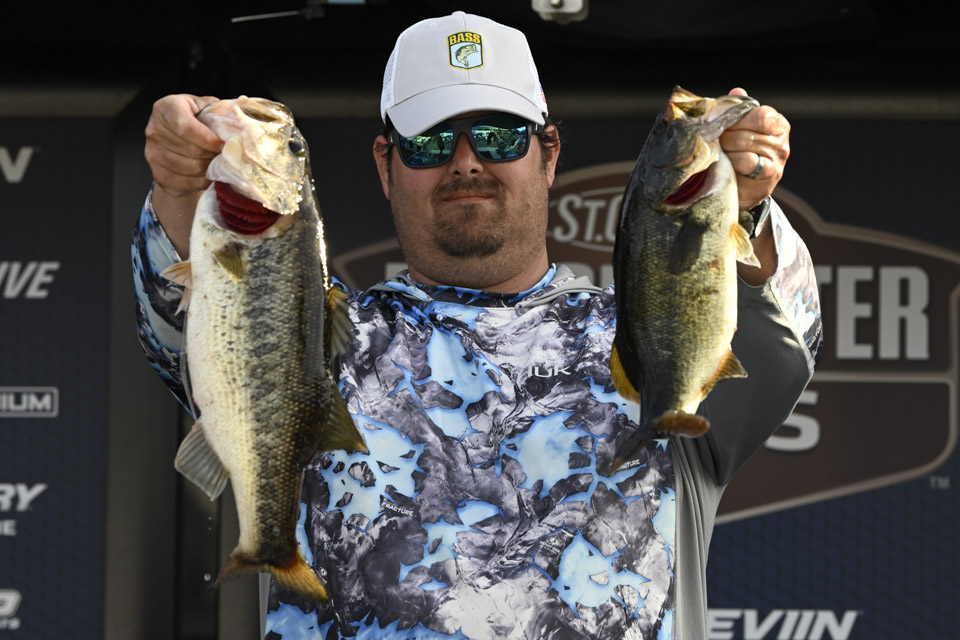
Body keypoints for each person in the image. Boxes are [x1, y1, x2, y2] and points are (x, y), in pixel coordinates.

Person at [133, 11, 821, 640]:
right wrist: (180, 185)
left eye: (497, 135)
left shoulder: (652, 342)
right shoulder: (321, 340)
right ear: (386, 165)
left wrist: (742, 205)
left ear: (548, 154)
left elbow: (789, 342)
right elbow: (181, 317)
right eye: (430, 142)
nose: (466, 161)